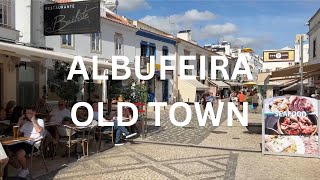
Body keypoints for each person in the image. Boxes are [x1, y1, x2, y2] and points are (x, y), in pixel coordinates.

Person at [8, 106, 45, 178]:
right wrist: (19, 122)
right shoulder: (26, 123)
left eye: (29, 113)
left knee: (19, 154)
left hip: (34, 143)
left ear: (34, 113)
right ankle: (19, 168)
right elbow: (16, 135)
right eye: (26, 113)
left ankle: (25, 170)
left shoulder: (40, 121)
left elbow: (39, 130)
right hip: (23, 142)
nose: (27, 115)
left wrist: (33, 120)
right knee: (6, 153)